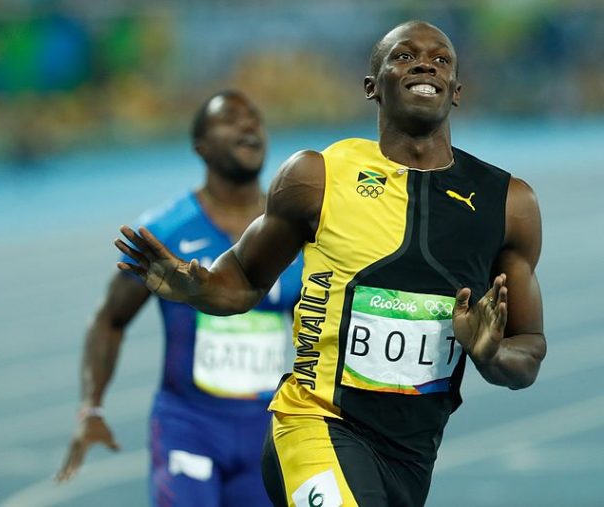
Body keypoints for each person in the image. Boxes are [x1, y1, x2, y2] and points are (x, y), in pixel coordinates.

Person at [115, 21, 546, 507]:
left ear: (457, 91)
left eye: (442, 59)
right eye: (404, 56)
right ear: (371, 86)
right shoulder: (316, 177)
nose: (426, 63)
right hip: (313, 425)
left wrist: (490, 354)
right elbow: (242, 281)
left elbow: (527, 352)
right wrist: (193, 286)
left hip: (412, 455)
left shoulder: (508, 204)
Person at [56, 90, 303, 507]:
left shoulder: (296, 232)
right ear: (201, 147)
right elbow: (109, 319)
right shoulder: (165, 232)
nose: (248, 125)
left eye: (255, 118)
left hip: (271, 430)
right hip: (190, 426)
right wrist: (91, 408)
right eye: (231, 119)